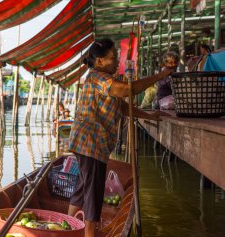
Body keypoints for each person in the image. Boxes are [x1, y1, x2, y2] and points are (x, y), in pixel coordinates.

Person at [67, 39, 174, 237]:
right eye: (113, 58)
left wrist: (148, 115)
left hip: (86, 143)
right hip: (91, 143)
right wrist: (161, 75)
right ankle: (87, 233)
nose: (117, 62)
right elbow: (128, 89)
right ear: (99, 62)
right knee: (92, 198)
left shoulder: (103, 79)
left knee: (82, 189)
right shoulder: (98, 78)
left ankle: (68, 228)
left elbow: (122, 106)